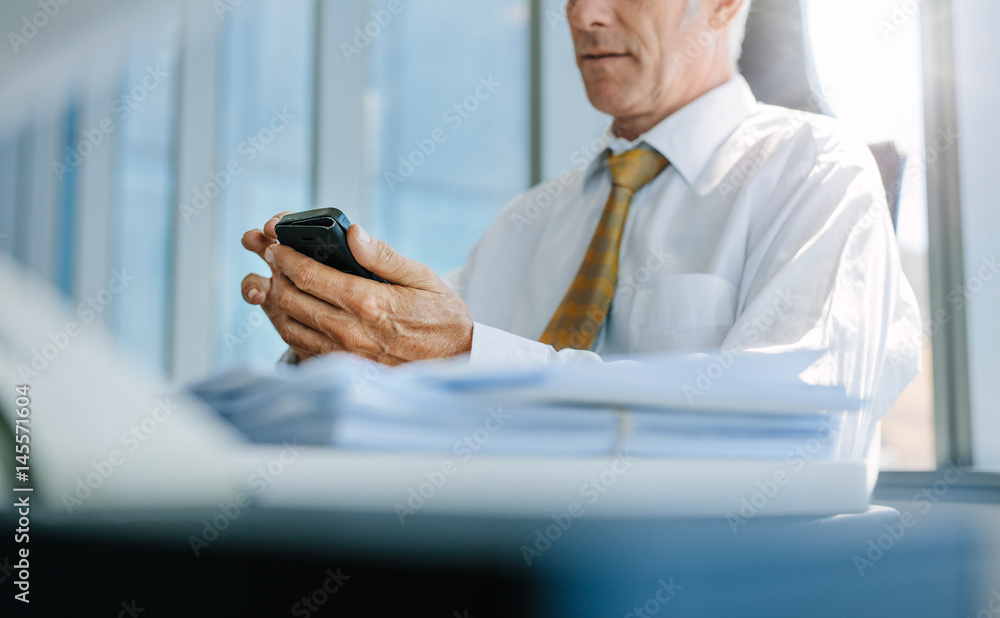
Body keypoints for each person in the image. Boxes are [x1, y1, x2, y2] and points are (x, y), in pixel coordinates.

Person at [240, 0, 921, 487]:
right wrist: (339, 338)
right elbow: (424, 405)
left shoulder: (816, 173)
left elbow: (799, 441)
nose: (583, 14)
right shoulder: (528, 221)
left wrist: (470, 352)